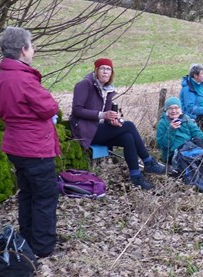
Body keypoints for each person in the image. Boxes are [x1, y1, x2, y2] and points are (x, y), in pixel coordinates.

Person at [0, 26, 61, 258]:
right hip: (34, 147)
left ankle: (28, 240)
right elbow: (49, 107)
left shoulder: (2, 75)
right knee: (44, 196)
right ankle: (42, 247)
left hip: (16, 144)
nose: (34, 50)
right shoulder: (22, 78)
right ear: (23, 49)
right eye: (31, 46)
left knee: (28, 193)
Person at [69, 58, 165, 190]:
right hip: (85, 131)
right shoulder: (85, 85)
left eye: (108, 69)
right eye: (102, 68)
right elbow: (77, 110)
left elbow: (107, 115)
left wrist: (114, 120)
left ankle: (136, 177)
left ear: (111, 73)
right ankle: (148, 161)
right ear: (96, 70)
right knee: (129, 125)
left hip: (98, 129)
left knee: (128, 137)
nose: (105, 72)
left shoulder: (107, 89)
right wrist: (103, 115)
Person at [155, 96, 203, 181]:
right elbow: (162, 146)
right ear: (166, 111)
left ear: (180, 109)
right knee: (192, 153)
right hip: (174, 154)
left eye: (176, 108)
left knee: (202, 144)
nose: (174, 111)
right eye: (170, 108)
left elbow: (196, 132)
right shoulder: (162, 123)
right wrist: (171, 130)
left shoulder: (186, 119)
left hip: (189, 148)